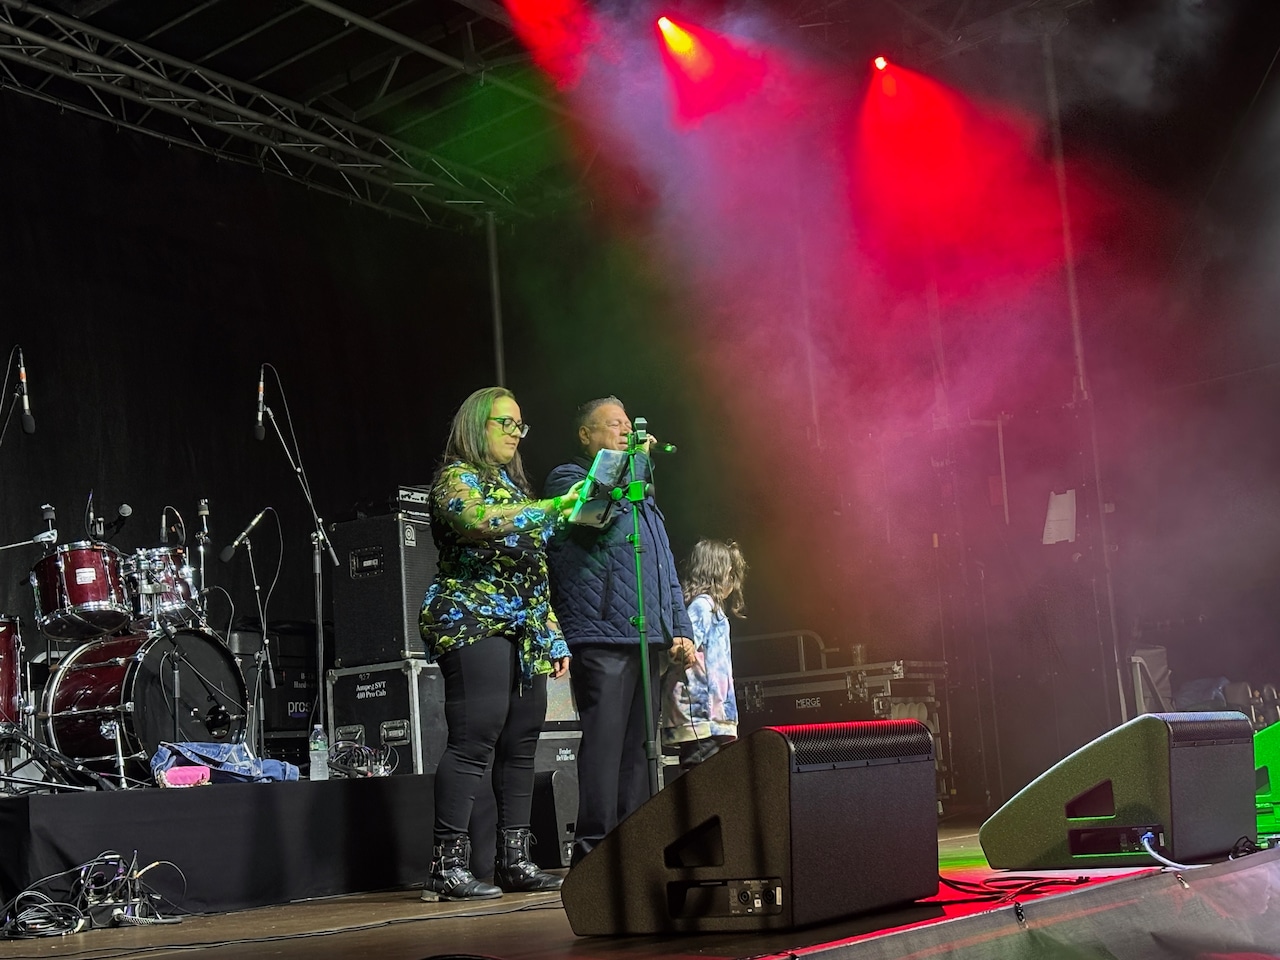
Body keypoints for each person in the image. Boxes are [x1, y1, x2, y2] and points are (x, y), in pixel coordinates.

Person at [418, 386, 582, 901]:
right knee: (475, 739)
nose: (516, 433)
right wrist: (555, 507)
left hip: (523, 630)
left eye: (520, 425)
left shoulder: (513, 489)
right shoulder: (455, 481)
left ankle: (514, 860)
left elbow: (533, 573)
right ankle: (447, 867)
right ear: (475, 425)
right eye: (505, 423)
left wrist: (552, 635)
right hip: (472, 623)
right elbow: (478, 522)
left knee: (521, 744)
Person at [544, 396, 695, 865]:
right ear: (586, 435)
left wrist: (681, 625)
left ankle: (637, 848)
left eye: (629, 424)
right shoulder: (567, 479)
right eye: (614, 425)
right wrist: (627, 465)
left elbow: (664, 564)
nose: (626, 430)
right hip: (601, 633)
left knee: (640, 750)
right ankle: (593, 851)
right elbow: (591, 514)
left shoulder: (643, 496)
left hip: (647, 635)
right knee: (605, 747)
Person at [660, 539, 748, 770]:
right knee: (701, 774)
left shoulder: (711, 608)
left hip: (713, 716)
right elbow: (682, 649)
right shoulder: (701, 606)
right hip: (701, 715)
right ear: (722, 573)